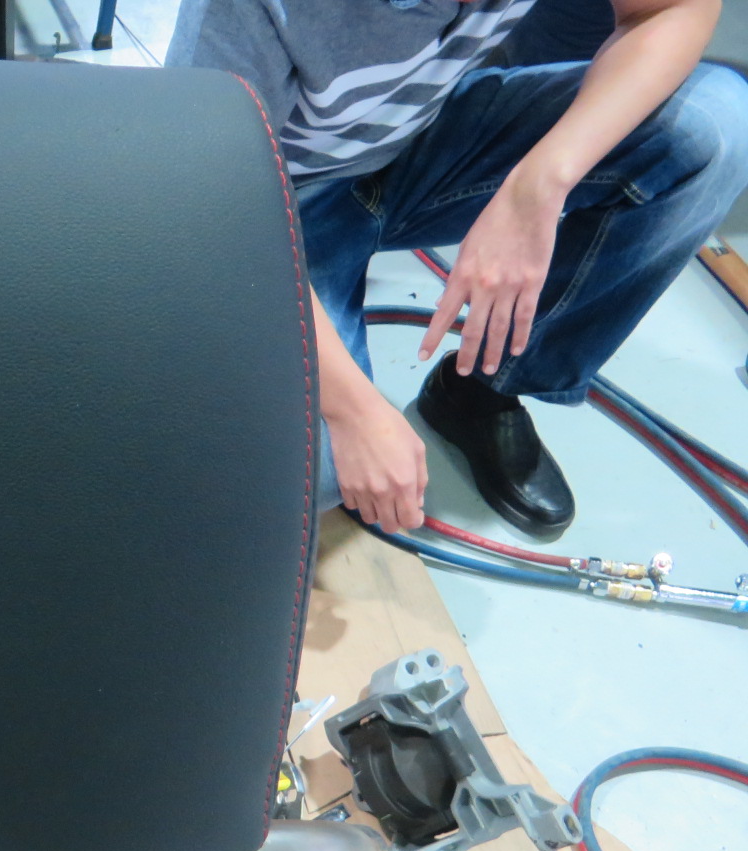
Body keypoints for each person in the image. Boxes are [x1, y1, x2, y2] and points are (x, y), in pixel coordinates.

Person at [167, 0, 748, 537]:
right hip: (267, 194)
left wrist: (538, 184)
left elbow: (675, 9)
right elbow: (205, 204)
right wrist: (353, 412)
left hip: (414, 137)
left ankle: (479, 393)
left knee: (713, 127)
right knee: (302, 475)